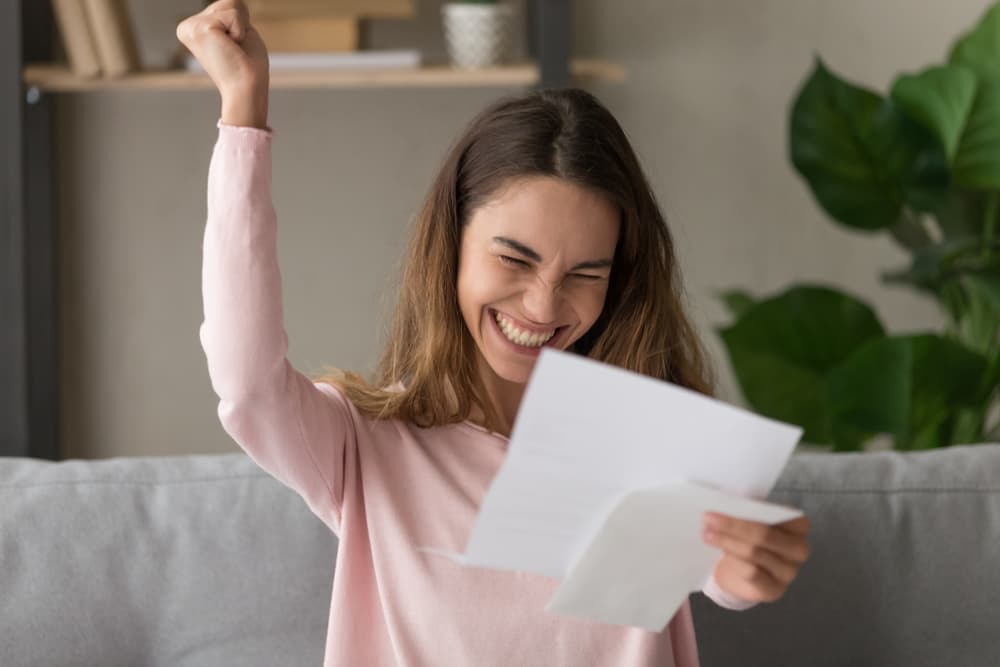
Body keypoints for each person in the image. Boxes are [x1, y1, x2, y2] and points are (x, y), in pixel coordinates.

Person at [178, 2, 811, 665]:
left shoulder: (649, 440)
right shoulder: (364, 450)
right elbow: (248, 387)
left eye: (585, 273)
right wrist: (243, 109)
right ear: (452, 245)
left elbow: (724, 570)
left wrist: (748, 569)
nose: (543, 305)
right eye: (514, 259)